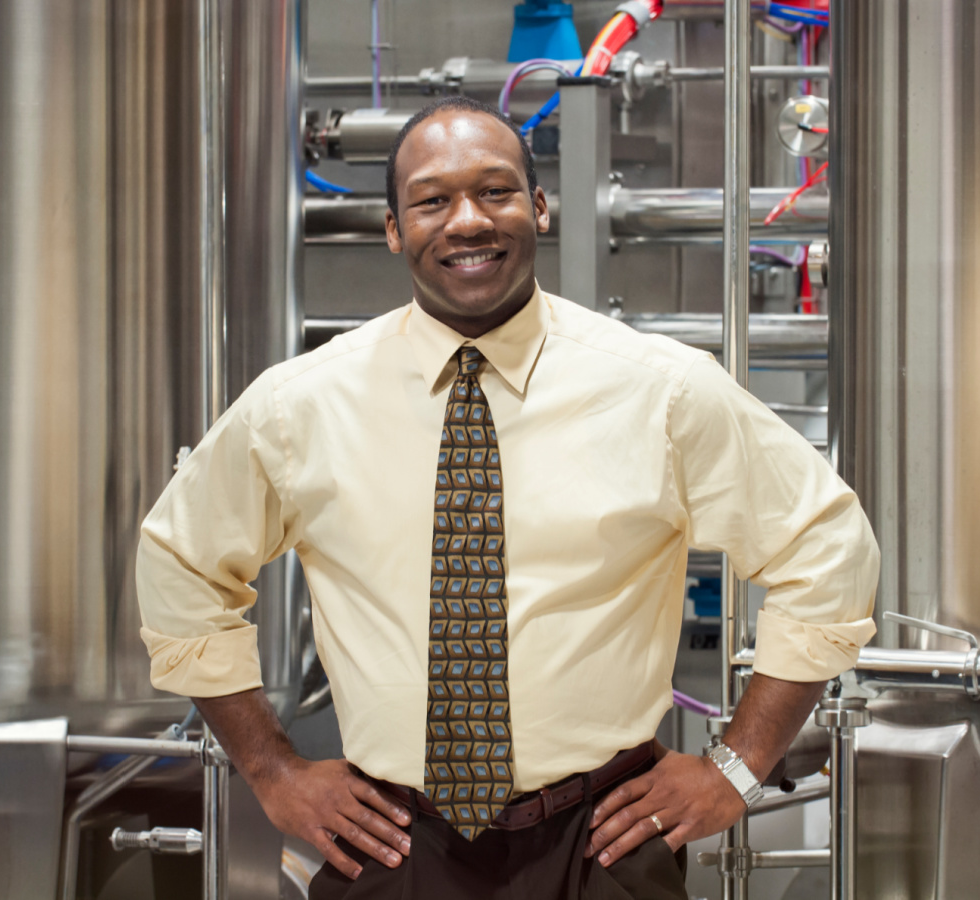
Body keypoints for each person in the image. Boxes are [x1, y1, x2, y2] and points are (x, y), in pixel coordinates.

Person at [136, 95, 878, 899]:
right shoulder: (300, 406)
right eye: (431, 200)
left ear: (540, 207)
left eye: (495, 191)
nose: (467, 221)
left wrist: (736, 766)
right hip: (390, 848)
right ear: (393, 230)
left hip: (602, 843)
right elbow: (180, 564)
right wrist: (271, 769)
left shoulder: (659, 391)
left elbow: (828, 549)